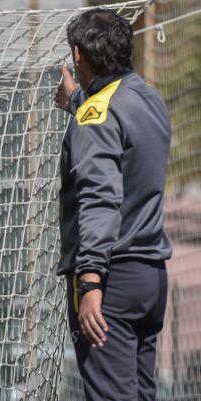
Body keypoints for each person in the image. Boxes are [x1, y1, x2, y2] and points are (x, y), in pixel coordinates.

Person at [54, 9, 172, 401]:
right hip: (151, 277)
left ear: (77, 54)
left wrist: (90, 280)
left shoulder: (95, 114)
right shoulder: (148, 98)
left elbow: (99, 198)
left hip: (111, 278)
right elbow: (113, 123)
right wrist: (77, 99)